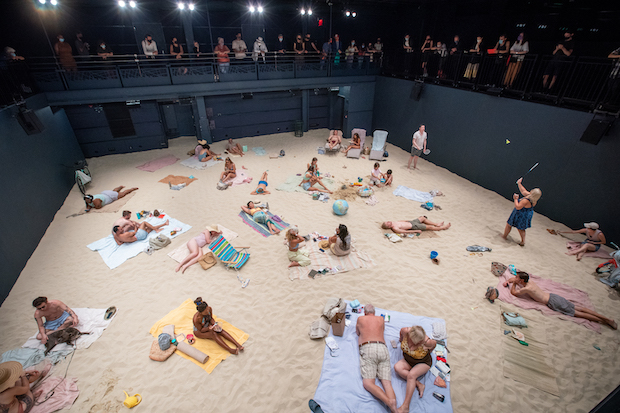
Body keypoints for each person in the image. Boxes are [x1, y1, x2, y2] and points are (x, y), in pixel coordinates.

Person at [498, 272, 616, 329]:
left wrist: (512, 283)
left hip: (553, 302)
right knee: (580, 308)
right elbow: (515, 277)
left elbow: (514, 293)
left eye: (518, 278)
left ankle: (605, 321)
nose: (516, 278)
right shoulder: (529, 282)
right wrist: (511, 280)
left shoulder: (527, 288)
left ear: (522, 280)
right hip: (554, 296)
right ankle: (607, 319)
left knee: (580, 314)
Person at [355, 304, 397, 413]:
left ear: (365, 312)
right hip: (383, 348)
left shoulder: (360, 318)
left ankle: (389, 402)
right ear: (374, 312)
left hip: (368, 348)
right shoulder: (381, 319)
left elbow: (357, 332)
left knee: (368, 383)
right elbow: (382, 331)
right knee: (387, 383)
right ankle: (395, 409)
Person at [394, 325, 436, 413]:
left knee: (411, 375)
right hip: (408, 360)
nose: (416, 345)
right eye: (414, 342)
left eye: (419, 343)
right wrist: (401, 339)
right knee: (397, 367)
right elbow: (401, 333)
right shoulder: (406, 331)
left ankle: (405, 406)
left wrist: (427, 352)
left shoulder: (427, 342)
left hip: (422, 362)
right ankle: (419, 384)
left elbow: (434, 345)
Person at [501, 178, 541, 246]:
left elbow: (518, 206)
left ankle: (504, 236)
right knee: (521, 228)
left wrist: (515, 199)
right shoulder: (534, 199)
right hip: (527, 214)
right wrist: (519, 183)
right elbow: (523, 191)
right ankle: (523, 241)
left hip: (520, 214)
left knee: (509, 224)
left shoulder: (526, 200)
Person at [382, 218, 451, 233]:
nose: (388, 222)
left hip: (411, 222)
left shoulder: (393, 222)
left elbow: (403, 221)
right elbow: (404, 231)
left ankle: (437, 224)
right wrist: (416, 231)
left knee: (423, 218)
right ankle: (443, 228)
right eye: (387, 223)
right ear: (388, 227)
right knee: (430, 227)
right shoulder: (395, 228)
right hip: (414, 226)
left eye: (387, 221)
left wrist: (409, 220)